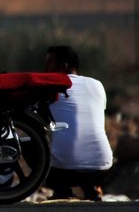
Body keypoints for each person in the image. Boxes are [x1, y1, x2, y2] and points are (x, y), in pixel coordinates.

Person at [44, 45, 114, 201]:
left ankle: (61, 190)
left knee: (30, 143)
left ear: (63, 67)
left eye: (50, 62)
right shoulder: (97, 84)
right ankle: (92, 188)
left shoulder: (51, 87)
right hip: (102, 168)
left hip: (62, 171)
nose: (46, 68)